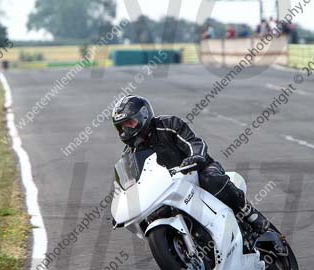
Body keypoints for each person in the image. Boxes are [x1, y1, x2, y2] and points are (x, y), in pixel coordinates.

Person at [111, 95, 269, 235]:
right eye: (122, 126)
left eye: (129, 122)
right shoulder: (130, 153)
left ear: (144, 115)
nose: (126, 129)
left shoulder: (167, 124)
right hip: (167, 187)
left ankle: (249, 213)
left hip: (196, 170)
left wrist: (195, 157)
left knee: (211, 180)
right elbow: (130, 183)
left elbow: (193, 142)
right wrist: (124, 208)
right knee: (148, 217)